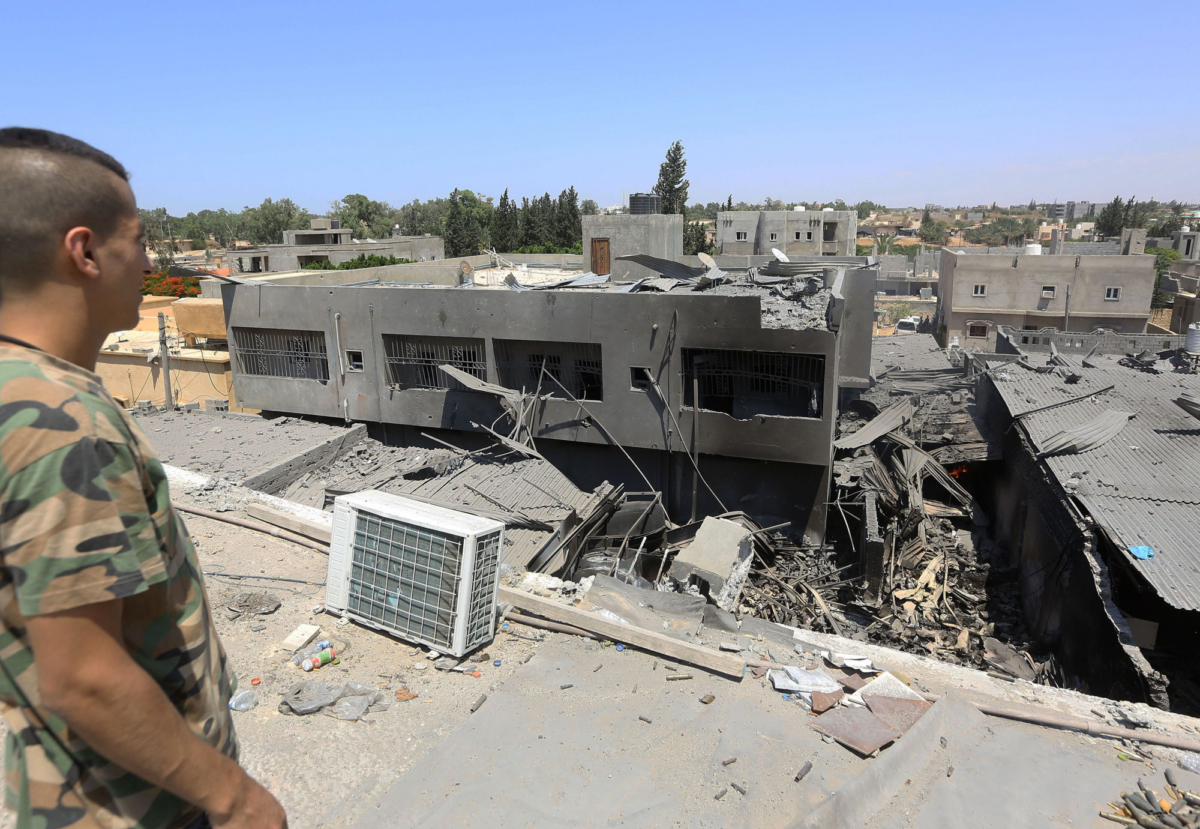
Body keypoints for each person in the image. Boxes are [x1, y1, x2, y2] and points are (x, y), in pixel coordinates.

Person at [0, 127, 286, 829]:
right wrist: (234, 796)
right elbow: (86, 676)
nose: (149, 259)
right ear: (86, 251)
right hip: (125, 803)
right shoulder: (60, 421)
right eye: (138, 238)